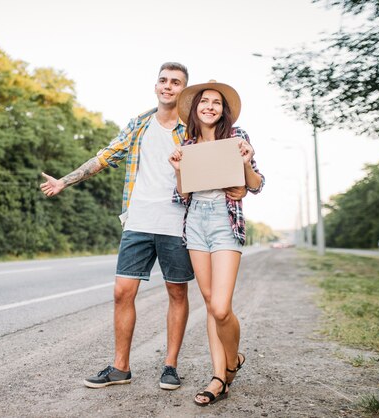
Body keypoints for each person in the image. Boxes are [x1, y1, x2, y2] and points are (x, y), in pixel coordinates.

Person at [40, 63, 247, 390]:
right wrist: (65, 181)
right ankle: (121, 367)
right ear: (156, 86)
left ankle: (170, 365)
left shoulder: (192, 131)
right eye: (163, 80)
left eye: (175, 82)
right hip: (137, 219)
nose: (168, 86)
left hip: (177, 222)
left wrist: (242, 185)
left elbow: (223, 171)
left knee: (177, 292)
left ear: (184, 93)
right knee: (123, 291)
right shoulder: (138, 124)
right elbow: (105, 157)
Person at [168, 80, 264, 406]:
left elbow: (256, 184)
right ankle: (219, 376)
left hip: (225, 222)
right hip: (195, 222)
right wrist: (179, 169)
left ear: (223, 111)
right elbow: (182, 195)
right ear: (195, 109)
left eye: (216, 103)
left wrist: (247, 162)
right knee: (210, 304)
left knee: (222, 307)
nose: (210, 106)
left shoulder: (237, 138)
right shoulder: (187, 144)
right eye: (204, 101)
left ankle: (233, 360)